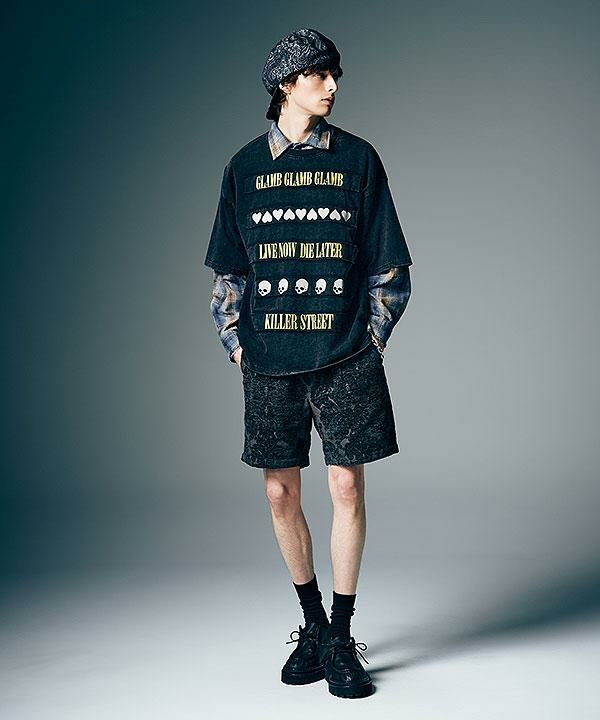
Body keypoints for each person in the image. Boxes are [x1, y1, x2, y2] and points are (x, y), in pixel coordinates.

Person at [204, 28, 413, 699]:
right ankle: (314, 624)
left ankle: (343, 637)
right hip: (269, 360)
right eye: (320, 75)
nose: (333, 86)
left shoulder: (358, 159)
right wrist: (238, 344)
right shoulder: (243, 168)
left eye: (333, 74)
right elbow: (228, 275)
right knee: (279, 493)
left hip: (345, 354)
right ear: (286, 84)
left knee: (346, 488)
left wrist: (371, 337)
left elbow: (390, 265)